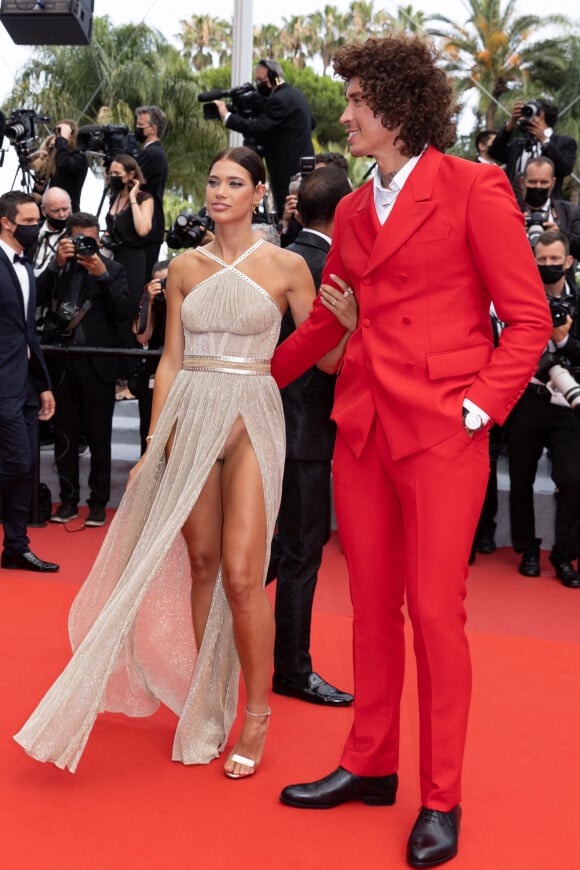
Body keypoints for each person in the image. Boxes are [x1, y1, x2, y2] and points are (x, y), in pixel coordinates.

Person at [270, 34, 552, 868]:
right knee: (369, 613)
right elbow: (328, 320)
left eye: (357, 99)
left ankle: (441, 797)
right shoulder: (353, 210)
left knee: (435, 616)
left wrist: (476, 411)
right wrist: (251, 373)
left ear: (394, 107)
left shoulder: (475, 187)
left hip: (440, 434)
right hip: (362, 432)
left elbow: (527, 319)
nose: (346, 113)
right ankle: (368, 763)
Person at [13, 146, 348, 778]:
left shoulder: (287, 267)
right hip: (190, 412)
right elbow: (168, 361)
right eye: (214, 181)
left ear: (259, 193)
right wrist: (152, 443)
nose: (220, 192)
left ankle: (255, 711)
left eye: (235, 183)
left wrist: (344, 327)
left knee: (245, 576)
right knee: (201, 564)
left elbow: (325, 362)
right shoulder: (185, 268)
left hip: (252, 411)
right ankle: (205, 696)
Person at [265, 167, 356, 707]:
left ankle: (222, 617)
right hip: (304, 430)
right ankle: (292, 670)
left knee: (278, 545)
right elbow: (327, 361)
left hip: (265, 418)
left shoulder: (272, 255)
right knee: (302, 550)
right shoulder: (329, 268)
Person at [36, 212, 130, 528]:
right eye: (79, 240)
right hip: (62, 364)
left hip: (97, 364)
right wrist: (54, 265)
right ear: (68, 239)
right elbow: (34, 297)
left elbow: (122, 313)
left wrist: (102, 276)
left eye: (91, 239)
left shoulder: (113, 269)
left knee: (100, 437)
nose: (86, 246)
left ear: (99, 237)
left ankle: (99, 503)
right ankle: (69, 501)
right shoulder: (59, 269)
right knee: (65, 437)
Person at [506, 230, 580, 589]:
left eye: (554, 260)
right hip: (527, 399)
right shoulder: (520, 298)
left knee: (573, 479)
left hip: (570, 405)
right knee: (521, 478)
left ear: (568, 261)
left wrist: (563, 340)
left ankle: (565, 556)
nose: (547, 266)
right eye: (542, 259)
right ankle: (528, 550)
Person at [0, 191, 59, 573]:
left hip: (22, 385)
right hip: (2, 384)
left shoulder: (25, 267)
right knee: (17, 462)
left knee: (25, 467)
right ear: (7, 222)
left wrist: (43, 384)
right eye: (29, 221)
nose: (37, 227)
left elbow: (28, 334)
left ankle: (16, 547)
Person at [215, 59, 315, 218]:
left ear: (275, 77)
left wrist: (227, 116)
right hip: (304, 165)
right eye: (257, 80)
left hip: (286, 170)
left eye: (261, 80)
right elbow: (312, 123)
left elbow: (259, 128)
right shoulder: (296, 95)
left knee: (288, 211)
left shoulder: (279, 99)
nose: (258, 84)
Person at [488, 99, 577, 201]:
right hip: (513, 202)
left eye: (531, 110)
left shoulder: (564, 142)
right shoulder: (519, 143)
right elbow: (494, 152)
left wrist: (545, 141)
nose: (526, 114)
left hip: (549, 204)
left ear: (542, 115)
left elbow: (565, 169)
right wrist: (511, 123)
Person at [103, 154, 154, 318]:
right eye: (111, 173)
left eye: (117, 173)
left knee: (128, 305)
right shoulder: (114, 198)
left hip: (132, 259)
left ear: (131, 175)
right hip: (113, 256)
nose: (113, 177)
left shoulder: (144, 198)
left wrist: (132, 198)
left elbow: (143, 229)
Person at [132, 260, 170, 454]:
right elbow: (142, 336)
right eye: (158, 282)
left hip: (178, 378)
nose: (162, 287)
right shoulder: (150, 304)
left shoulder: (186, 303)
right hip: (153, 378)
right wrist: (149, 301)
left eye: (167, 282)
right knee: (148, 433)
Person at [519, 156, 580, 275]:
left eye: (544, 182)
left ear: (553, 183)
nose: (538, 186)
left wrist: (561, 235)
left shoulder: (570, 212)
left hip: (560, 286)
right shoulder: (510, 210)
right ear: (522, 182)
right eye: (532, 182)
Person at [134, 105, 169, 279]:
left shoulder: (151, 154)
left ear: (153, 129)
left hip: (147, 225)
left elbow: (132, 182)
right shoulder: (155, 152)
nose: (137, 129)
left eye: (141, 126)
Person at [48, 119, 89, 213]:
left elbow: (63, 164)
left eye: (61, 132)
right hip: (53, 210)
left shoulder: (79, 157)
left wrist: (63, 140)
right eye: (57, 133)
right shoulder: (57, 156)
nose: (59, 136)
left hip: (69, 213)